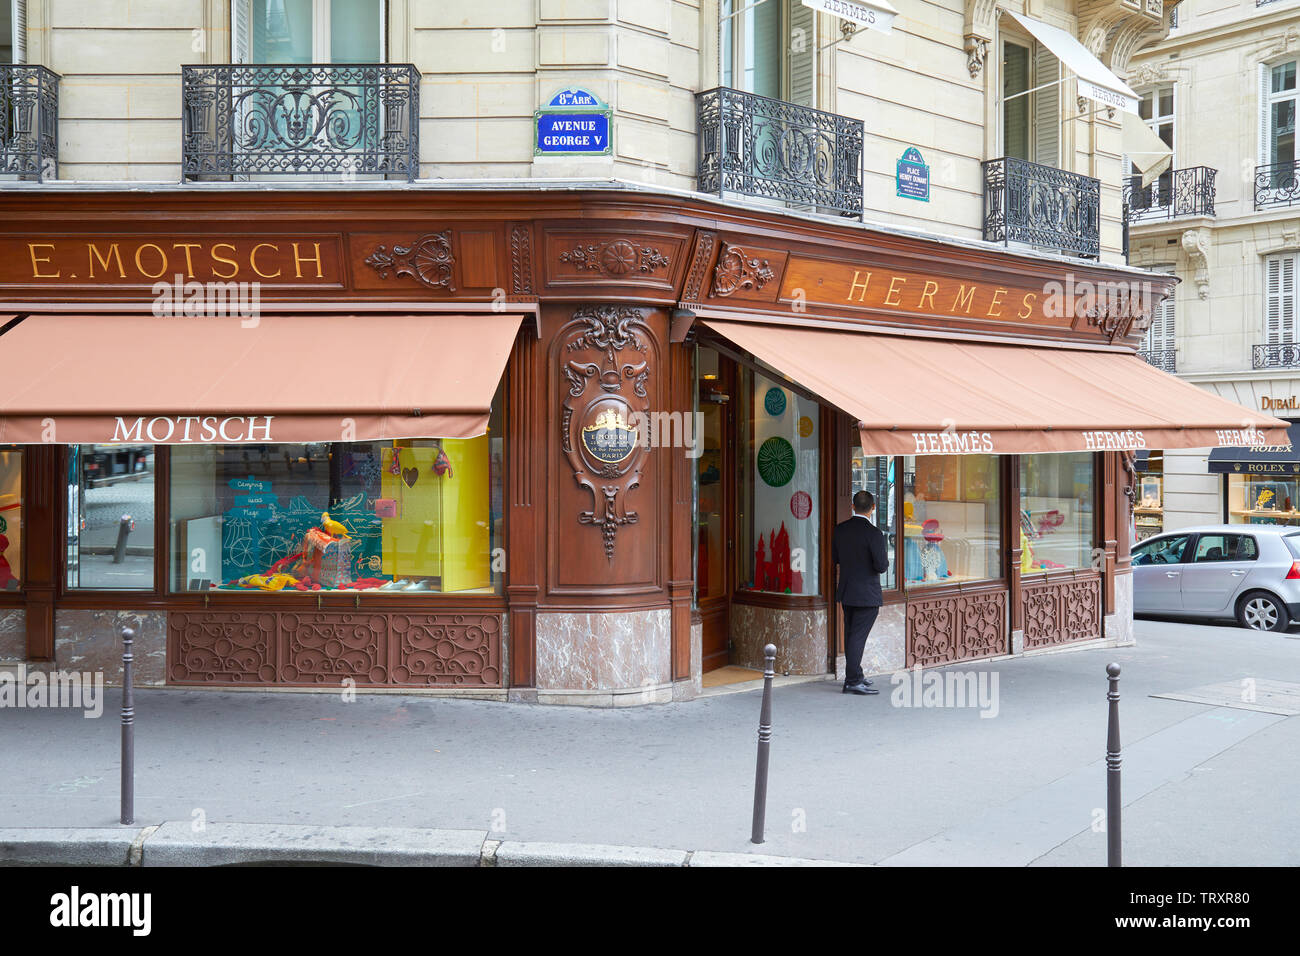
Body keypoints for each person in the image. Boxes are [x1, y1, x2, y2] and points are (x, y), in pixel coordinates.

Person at [832, 490, 890, 696]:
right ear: (873, 508)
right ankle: (853, 680)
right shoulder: (874, 534)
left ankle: (855, 674)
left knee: (850, 635)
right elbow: (882, 566)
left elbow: (836, 558)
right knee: (857, 638)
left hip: (847, 591)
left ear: (853, 507)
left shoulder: (840, 530)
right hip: (867, 595)